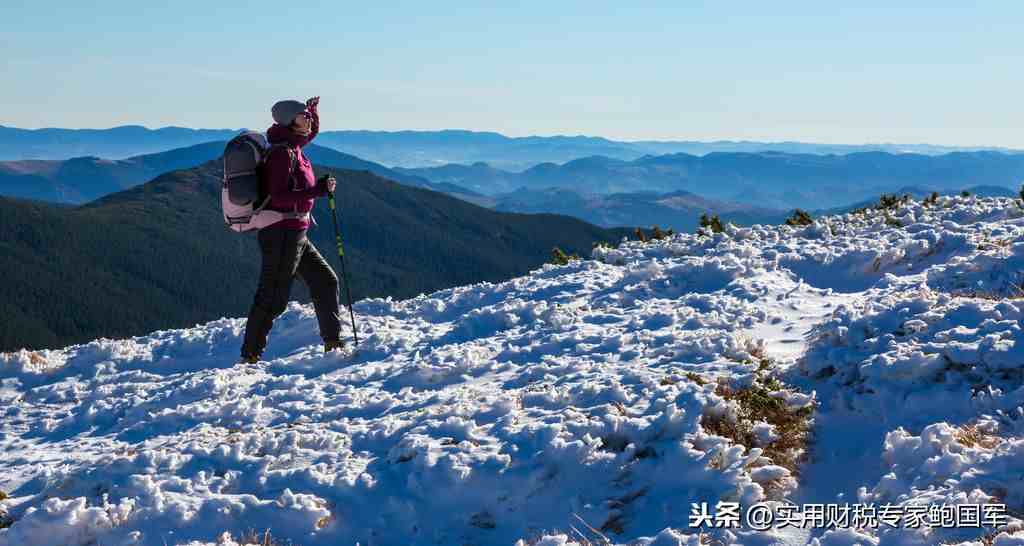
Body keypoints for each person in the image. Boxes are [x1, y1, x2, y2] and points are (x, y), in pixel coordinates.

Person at [240, 96, 344, 363]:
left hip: (295, 231)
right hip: (282, 232)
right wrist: (317, 191)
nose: (307, 120)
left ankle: (333, 346)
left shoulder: (294, 144)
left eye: (307, 116)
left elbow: (313, 131)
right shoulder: (282, 154)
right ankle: (250, 358)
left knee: (325, 280)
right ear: (289, 121)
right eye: (303, 116)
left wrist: (314, 111)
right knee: (272, 298)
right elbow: (278, 195)